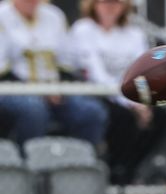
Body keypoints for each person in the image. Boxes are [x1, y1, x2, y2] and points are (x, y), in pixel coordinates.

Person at [69, 0, 166, 185]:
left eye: (116, 2)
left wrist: (142, 101)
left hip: (130, 96)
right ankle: (113, 171)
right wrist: (131, 102)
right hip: (97, 93)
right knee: (122, 117)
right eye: (105, 2)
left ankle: (128, 169)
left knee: (161, 117)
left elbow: (141, 71)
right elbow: (96, 74)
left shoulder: (134, 34)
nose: (110, 7)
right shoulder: (83, 29)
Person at [0, 0, 107, 146]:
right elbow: (3, 70)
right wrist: (38, 91)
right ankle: (28, 164)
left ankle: (79, 164)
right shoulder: (2, 15)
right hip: (12, 90)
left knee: (91, 112)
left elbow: (66, 64)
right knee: (34, 111)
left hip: (54, 90)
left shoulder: (54, 15)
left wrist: (58, 88)